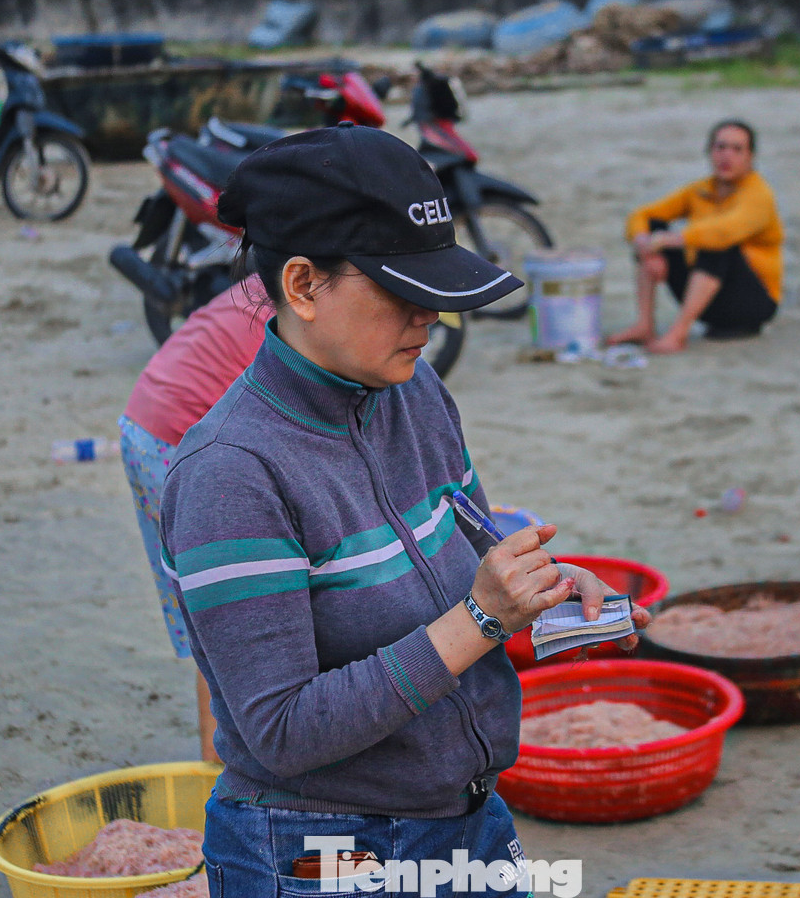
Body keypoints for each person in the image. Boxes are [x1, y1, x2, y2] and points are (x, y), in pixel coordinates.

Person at [159, 123, 650, 894]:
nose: (431, 316)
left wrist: (547, 590)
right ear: (303, 285)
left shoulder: (414, 392)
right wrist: (482, 618)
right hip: (318, 848)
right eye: (404, 291)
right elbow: (281, 729)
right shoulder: (230, 473)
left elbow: (472, 554)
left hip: (464, 814)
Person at [118, 274, 269, 763]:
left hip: (150, 415)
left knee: (215, 605)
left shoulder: (282, 273)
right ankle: (217, 759)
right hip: (173, 433)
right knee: (221, 605)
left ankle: (220, 754)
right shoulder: (309, 311)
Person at [607, 119, 784, 353]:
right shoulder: (702, 189)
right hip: (710, 296)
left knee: (715, 245)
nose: (726, 156)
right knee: (652, 227)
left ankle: (678, 334)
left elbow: (724, 232)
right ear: (709, 152)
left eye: (737, 149)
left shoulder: (758, 194)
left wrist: (669, 240)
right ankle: (644, 324)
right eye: (720, 147)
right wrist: (644, 244)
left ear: (750, 157)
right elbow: (642, 214)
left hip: (751, 302)